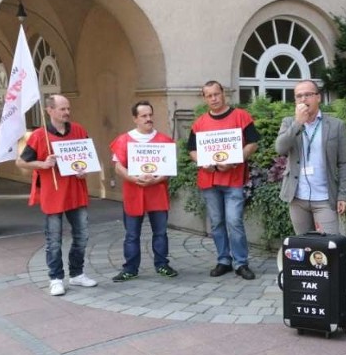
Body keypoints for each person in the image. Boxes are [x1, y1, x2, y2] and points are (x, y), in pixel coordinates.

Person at [16, 94, 98, 296]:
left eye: (68, 108)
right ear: (50, 111)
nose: (67, 112)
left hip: (76, 193)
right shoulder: (38, 135)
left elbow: (88, 158)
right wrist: (43, 164)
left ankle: (77, 274)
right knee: (54, 240)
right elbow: (21, 162)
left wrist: (84, 169)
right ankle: (55, 278)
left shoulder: (78, 130)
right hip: (52, 195)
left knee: (82, 236)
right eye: (62, 109)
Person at [187, 81, 260, 280]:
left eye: (216, 94)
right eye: (209, 95)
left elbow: (253, 143)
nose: (214, 98)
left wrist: (235, 159)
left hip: (233, 179)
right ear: (204, 98)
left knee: (234, 221)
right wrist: (203, 161)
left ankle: (241, 263)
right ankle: (223, 260)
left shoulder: (241, 117)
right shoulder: (199, 123)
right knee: (217, 223)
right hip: (209, 180)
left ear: (223, 94)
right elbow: (192, 150)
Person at [109, 101, 178, 282]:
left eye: (150, 115)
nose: (149, 119)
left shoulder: (163, 140)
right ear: (135, 119)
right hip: (134, 192)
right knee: (132, 234)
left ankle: (162, 264)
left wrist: (159, 178)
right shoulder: (124, 140)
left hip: (157, 192)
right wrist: (133, 178)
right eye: (144, 116)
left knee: (160, 232)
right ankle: (130, 268)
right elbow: (118, 166)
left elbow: (170, 168)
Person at [275, 80, 346, 235]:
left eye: (308, 95)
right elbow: (280, 148)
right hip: (297, 197)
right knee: (304, 247)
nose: (303, 99)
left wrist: (343, 194)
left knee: (330, 246)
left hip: (324, 197)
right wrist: (298, 123)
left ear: (318, 97)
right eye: (299, 96)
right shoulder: (289, 122)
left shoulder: (336, 125)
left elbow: (343, 163)